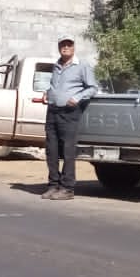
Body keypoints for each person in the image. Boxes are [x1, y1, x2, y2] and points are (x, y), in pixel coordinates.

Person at [42, 36, 98, 201]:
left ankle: (67, 188)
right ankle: (53, 184)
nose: (65, 47)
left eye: (69, 45)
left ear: (74, 47)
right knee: (51, 150)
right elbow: (56, 86)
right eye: (62, 45)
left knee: (67, 151)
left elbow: (93, 88)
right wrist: (48, 93)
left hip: (70, 113)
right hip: (52, 111)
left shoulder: (82, 65)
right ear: (59, 47)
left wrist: (78, 97)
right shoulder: (57, 65)